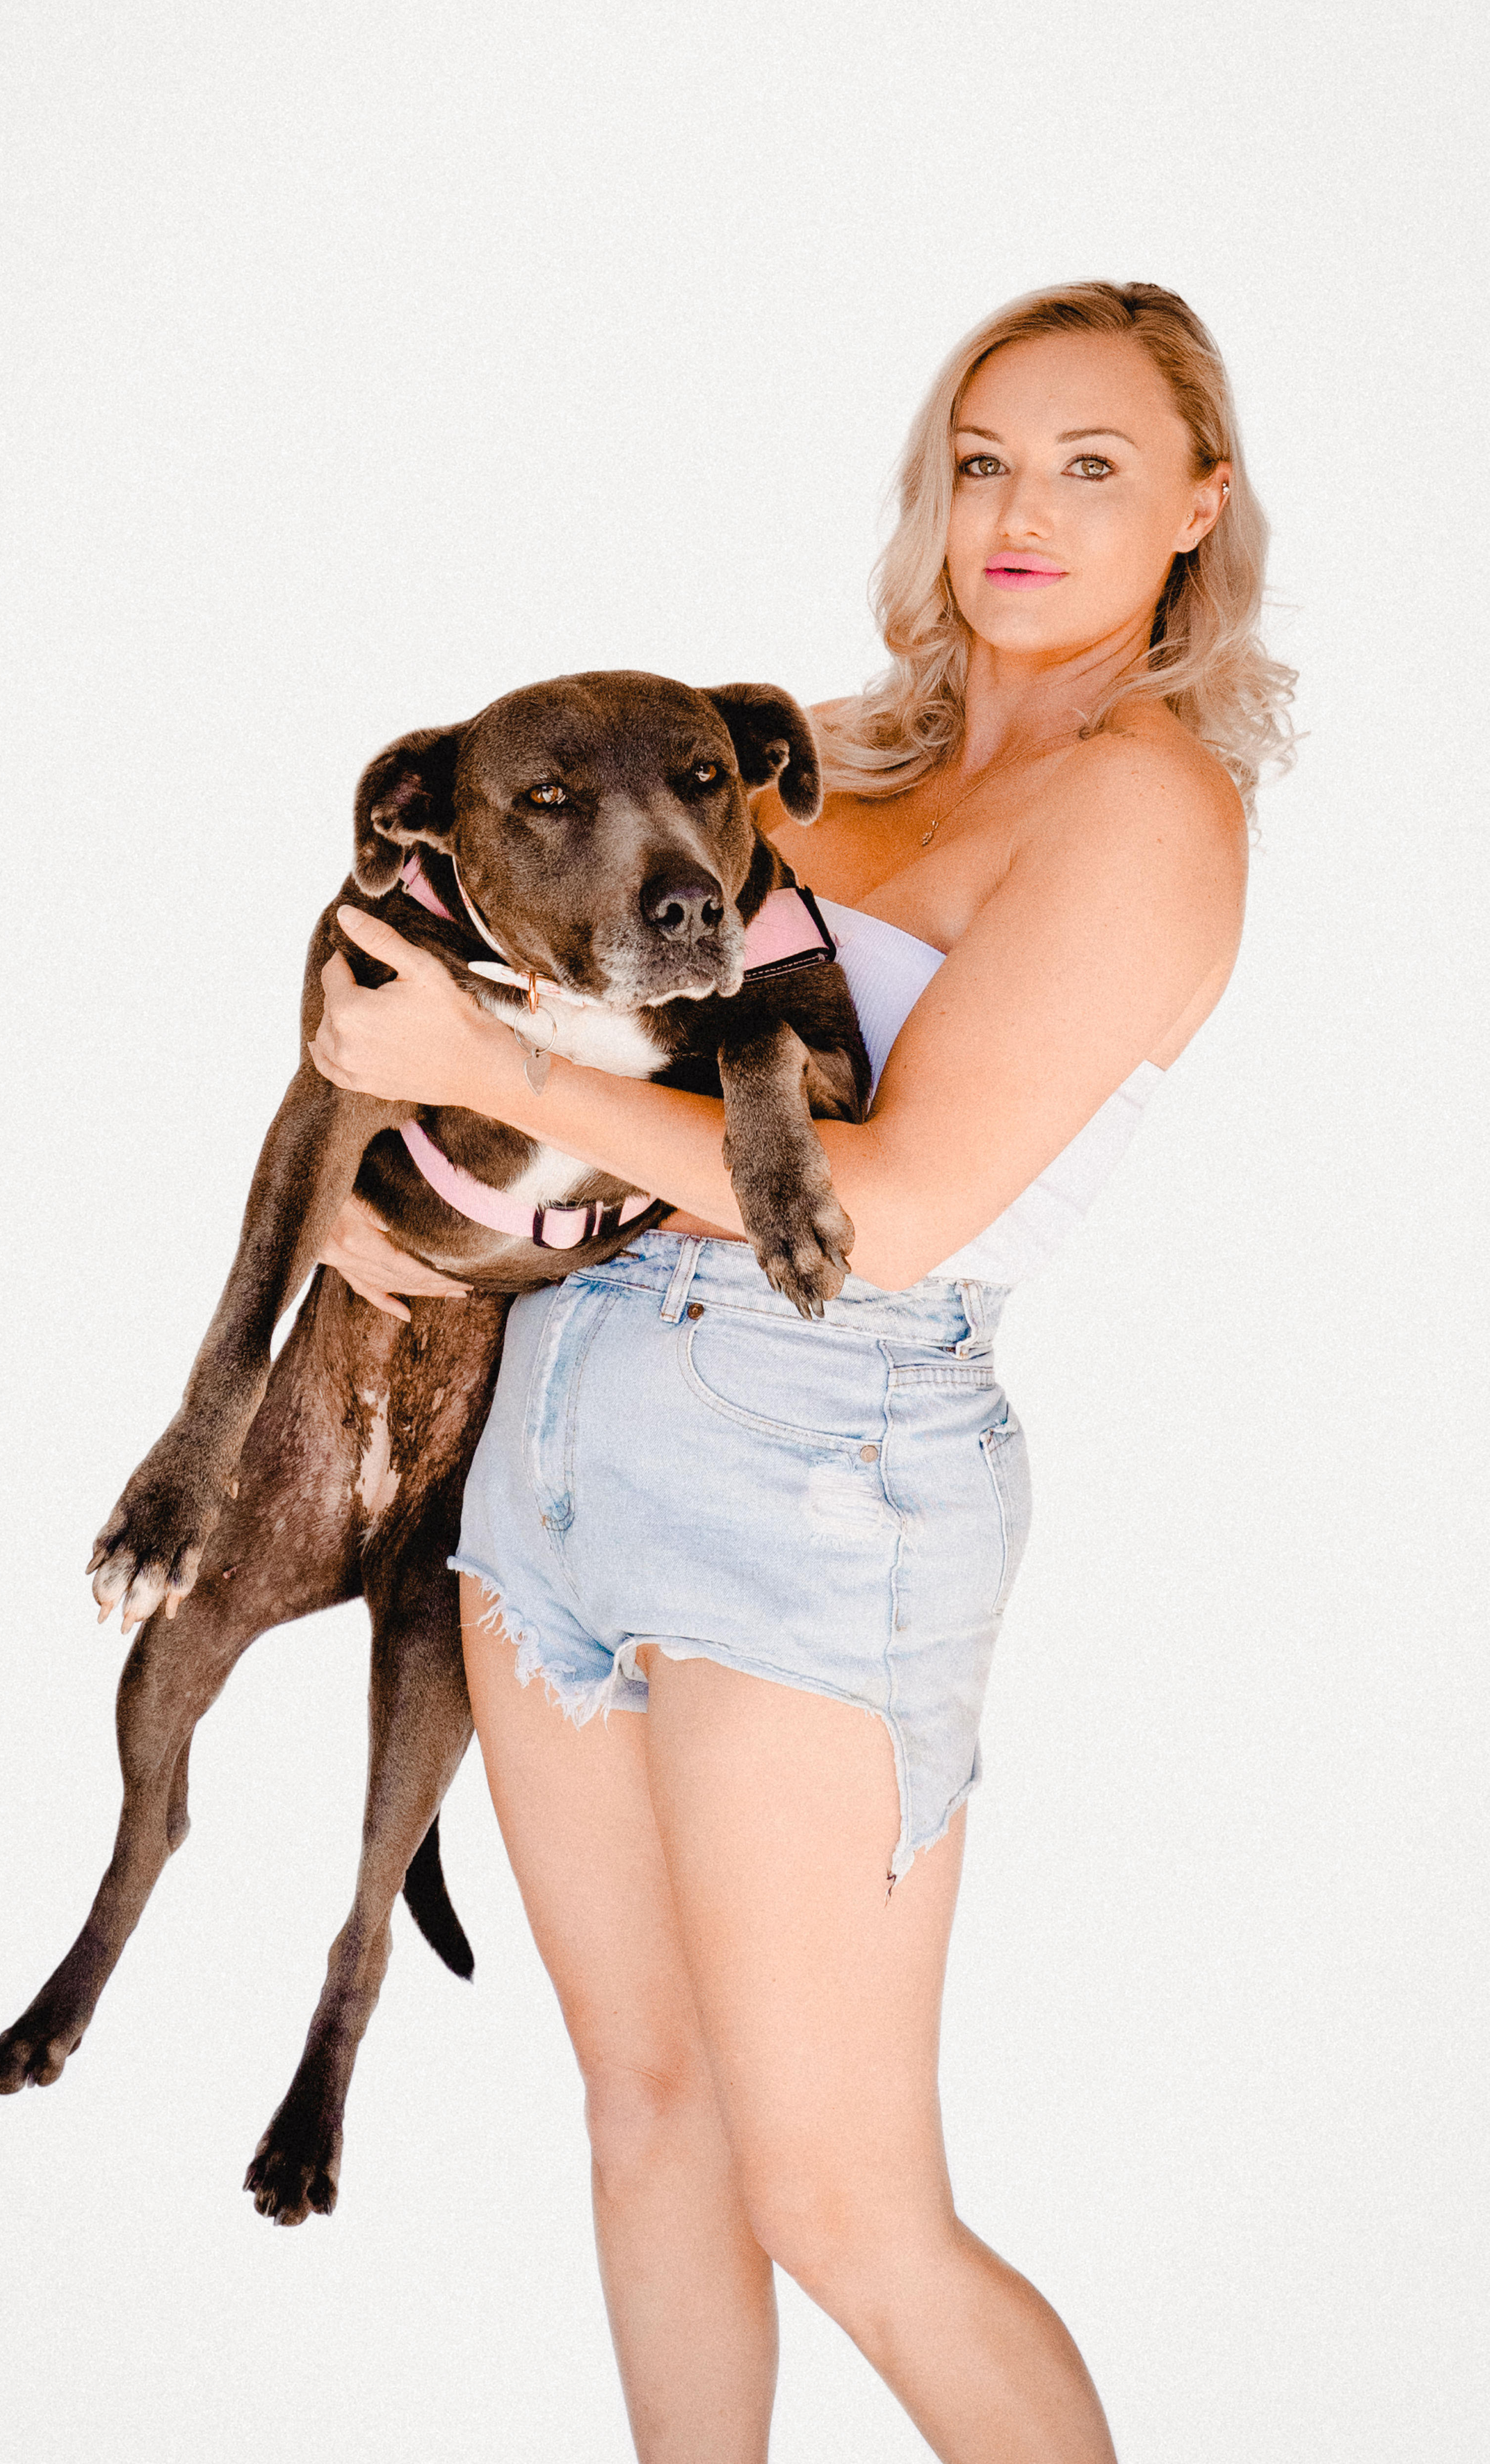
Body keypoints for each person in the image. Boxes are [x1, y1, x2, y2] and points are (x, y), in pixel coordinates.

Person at [307, 281, 1295, 2464]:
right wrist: (424, 1185)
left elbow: (903, 1201)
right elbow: (594, 1016)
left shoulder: (1148, 814)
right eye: (981, 460)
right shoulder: (835, 753)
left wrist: (488, 1068)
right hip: (561, 1420)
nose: (1017, 512)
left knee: (845, 2199)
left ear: (1199, 508)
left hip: (820, 1453)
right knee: (646, 2114)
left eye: (1091, 466)